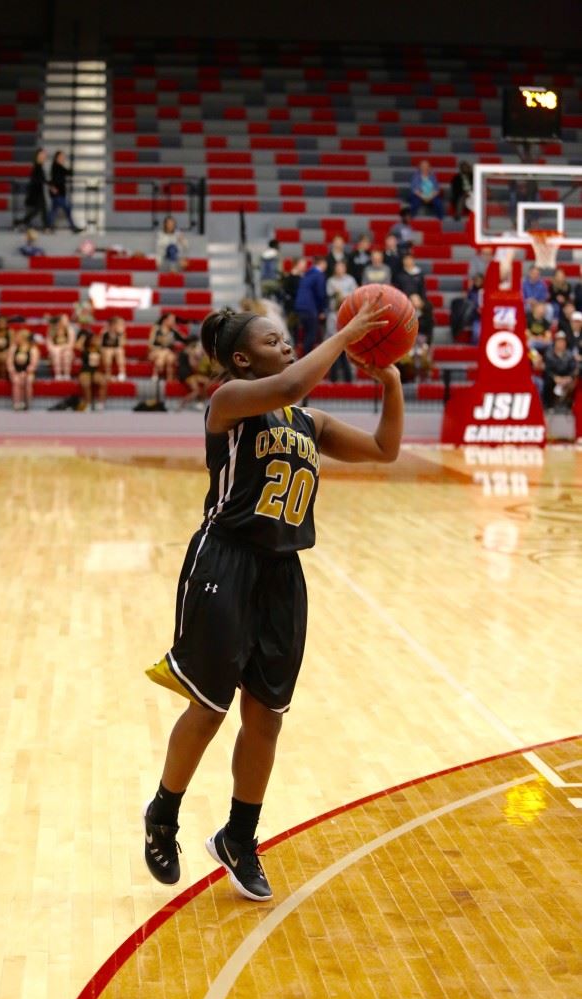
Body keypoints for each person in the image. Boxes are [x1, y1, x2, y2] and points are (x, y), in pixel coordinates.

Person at [142, 295, 403, 901]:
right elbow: (289, 383)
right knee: (210, 708)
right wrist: (348, 336)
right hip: (224, 562)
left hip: (284, 577)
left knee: (266, 719)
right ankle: (163, 811)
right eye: (271, 341)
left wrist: (389, 380)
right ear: (240, 358)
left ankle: (240, 836)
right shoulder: (230, 402)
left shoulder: (310, 423)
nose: (284, 346)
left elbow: (385, 449)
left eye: (287, 339)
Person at [294, 255, 328, 355]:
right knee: (311, 336)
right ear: (322, 263)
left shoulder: (307, 274)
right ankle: (306, 360)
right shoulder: (319, 275)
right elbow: (320, 294)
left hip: (300, 308)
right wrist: (321, 310)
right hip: (310, 308)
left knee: (305, 335)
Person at [542, 332, 578, 409]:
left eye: (563, 341)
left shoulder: (569, 354)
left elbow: (574, 368)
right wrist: (555, 377)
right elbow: (547, 369)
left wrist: (569, 377)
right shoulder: (549, 354)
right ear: (555, 342)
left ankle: (567, 404)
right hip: (553, 377)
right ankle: (549, 404)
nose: (561, 343)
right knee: (547, 382)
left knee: (573, 384)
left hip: (566, 377)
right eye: (559, 341)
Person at [49, 151, 81, 233]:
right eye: (61, 156)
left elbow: (69, 173)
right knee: (66, 209)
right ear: (57, 157)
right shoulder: (55, 167)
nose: (63, 158)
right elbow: (53, 179)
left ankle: (50, 227)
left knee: (54, 210)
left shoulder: (60, 167)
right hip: (57, 193)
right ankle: (73, 227)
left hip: (60, 193)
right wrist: (53, 188)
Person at [176, 336, 212, 409]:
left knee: (206, 381)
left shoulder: (183, 352)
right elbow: (193, 365)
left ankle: (201, 401)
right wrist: (199, 358)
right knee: (197, 390)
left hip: (188, 374)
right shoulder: (189, 352)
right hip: (186, 375)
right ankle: (182, 403)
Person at [7, 329, 39, 411]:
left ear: (23, 338)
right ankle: (17, 403)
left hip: (28, 373)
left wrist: (27, 372)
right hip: (15, 372)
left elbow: (33, 363)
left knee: (28, 381)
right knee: (17, 381)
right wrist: (13, 372)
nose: (16, 338)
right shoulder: (13, 348)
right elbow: (9, 361)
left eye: (18, 337)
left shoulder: (33, 349)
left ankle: (27, 403)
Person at [148, 313, 185, 381]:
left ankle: (165, 378)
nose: (174, 322)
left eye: (174, 320)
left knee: (170, 358)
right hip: (155, 352)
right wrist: (162, 350)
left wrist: (177, 330)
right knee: (164, 353)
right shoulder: (156, 329)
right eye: (172, 320)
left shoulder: (173, 331)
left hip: (169, 353)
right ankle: (161, 375)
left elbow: (185, 339)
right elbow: (150, 344)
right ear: (165, 320)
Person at [77, 329, 107, 410]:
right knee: (86, 383)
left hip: (95, 371)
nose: (96, 341)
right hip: (85, 370)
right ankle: (88, 403)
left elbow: (104, 363)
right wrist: (83, 336)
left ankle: (100, 403)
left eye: (97, 339)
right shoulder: (85, 349)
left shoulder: (100, 350)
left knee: (103, 381)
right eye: (94, 339)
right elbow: (77, 346)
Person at [21, 148, 49, 229]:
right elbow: (38, 179)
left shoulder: (40, 166)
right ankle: (23, 221)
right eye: (42, 154)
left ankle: (46, 226)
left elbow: (42, 179)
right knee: (39, 209)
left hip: (39, 191)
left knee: (42, 209)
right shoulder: (37, 166)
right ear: (38, 156)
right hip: (36, 192)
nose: (44, 156)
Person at [47, 314, 76, 381]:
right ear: (60, 321)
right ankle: (58, 374)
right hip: (55, 352)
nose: (67, 321)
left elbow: (71, 344)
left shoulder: (70, 330)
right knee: (56, 353)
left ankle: (66, 374)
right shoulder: (52, 330)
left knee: (67, 353)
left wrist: (61, 348)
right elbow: (49, 345)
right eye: (65, 320)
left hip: (67, 351)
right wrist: (56, 349)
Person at [100, 316, 127, 381]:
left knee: (119, 351)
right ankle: (108, 373)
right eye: (119, 324)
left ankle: (122, 373)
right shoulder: (104, 332)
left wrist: (120, 334)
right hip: (106, 350)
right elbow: (100, 345)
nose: (121, 326)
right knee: (108, 352)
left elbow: (122, 344)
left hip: (116, 350)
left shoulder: (120, 333)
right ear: (113, 324)